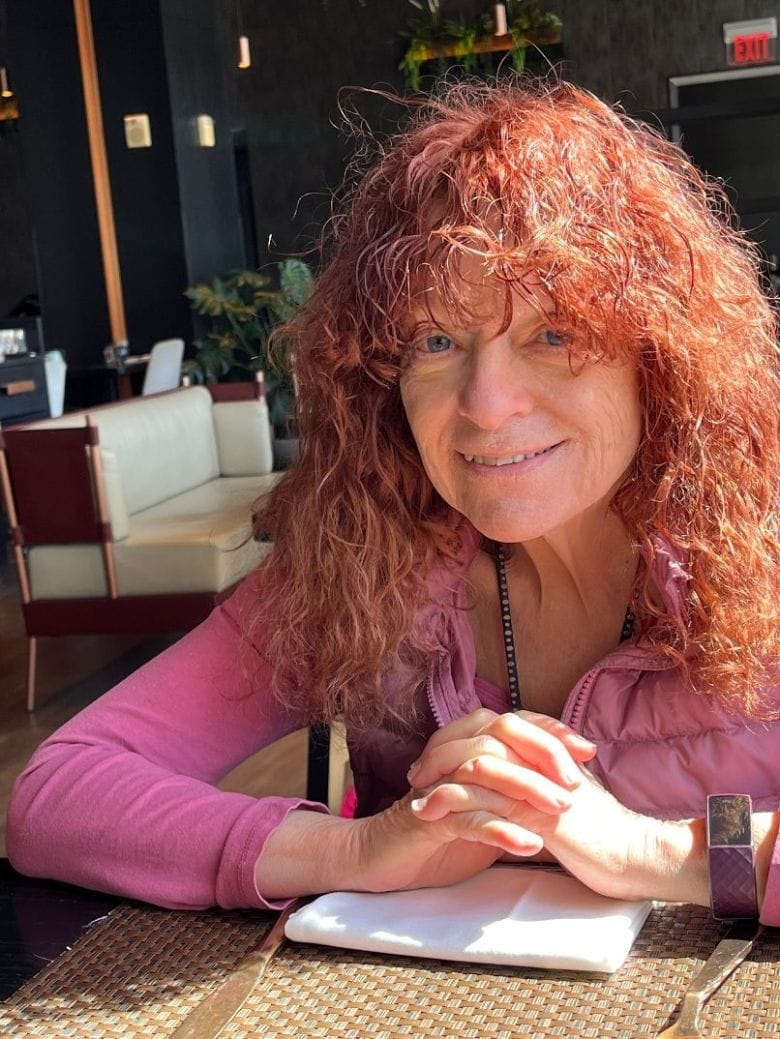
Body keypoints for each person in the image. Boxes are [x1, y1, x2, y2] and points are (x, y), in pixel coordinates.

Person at [7, 78, 780, 923]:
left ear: (659, 361)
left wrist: (655, 851)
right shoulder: (363, 565)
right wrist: (361, 849)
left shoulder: (762, 550)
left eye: (554, 334)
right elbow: (58, 790)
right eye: (436, 339)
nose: (486, 404)